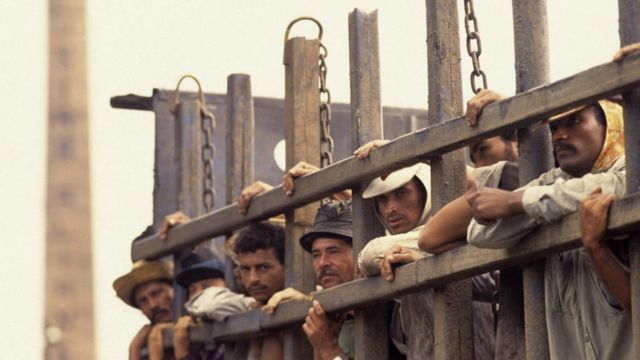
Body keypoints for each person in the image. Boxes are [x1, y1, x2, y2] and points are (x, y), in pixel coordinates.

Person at [465, 90, 631, 358]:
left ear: (609, 121)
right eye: (554, 126)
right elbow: (480, 234)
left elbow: (618, 185)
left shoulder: (627, 171)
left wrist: (517, 203)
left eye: (574, 121)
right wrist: (536, 205)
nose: (560, 135)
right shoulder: (554, 184)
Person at [262, 201, 356, 360]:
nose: (322, 263)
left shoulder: (388, 309)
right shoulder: (327, 318)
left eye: (334, 251)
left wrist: (329, 349)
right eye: (316, 255)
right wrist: (305, 302)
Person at [113, 239, 174, 360]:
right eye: (143, 301)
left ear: (173, 289)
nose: (152, 305)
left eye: (156, 293)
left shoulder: (201, 323)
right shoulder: (142, 341)